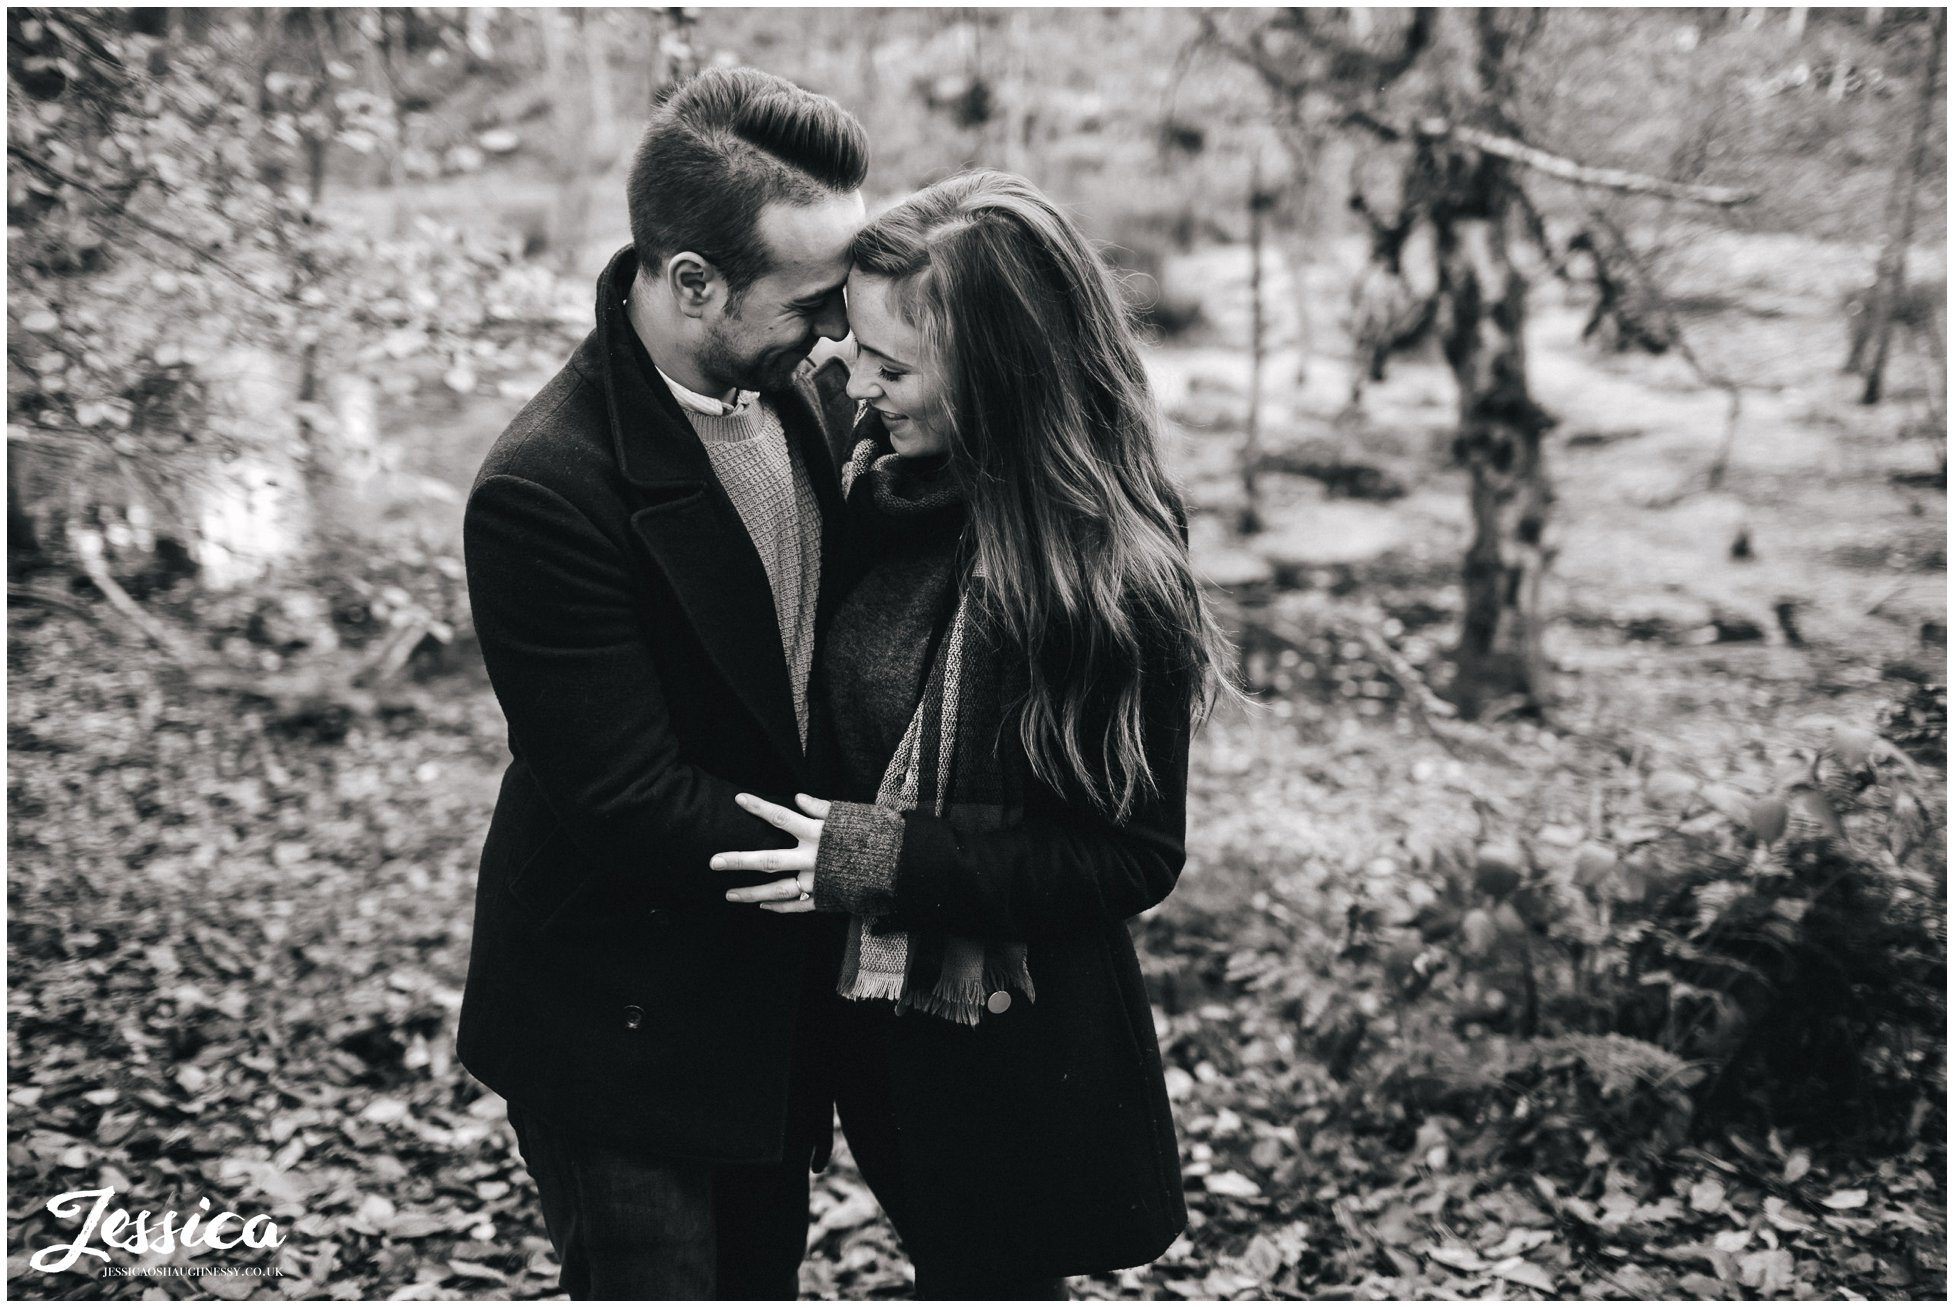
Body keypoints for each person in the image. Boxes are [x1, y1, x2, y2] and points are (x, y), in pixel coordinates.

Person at [714, 171, 1238, 1299]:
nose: (858, 386)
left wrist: (873, 858)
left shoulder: (1099, 561)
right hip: (870, 1028)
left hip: (1009, 1053)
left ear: (1000, 376)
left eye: (894, 366)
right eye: (856, 349)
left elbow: (1129, 854)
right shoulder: (871, 490)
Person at [456, 67, 867, 1299]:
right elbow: (629, 795)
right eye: (813, 301)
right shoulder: (545, 486)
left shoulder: (793, 392)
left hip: (767, 1003)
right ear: (692, 282)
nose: (841, 331)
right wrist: (868, 857)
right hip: (618, 1013)